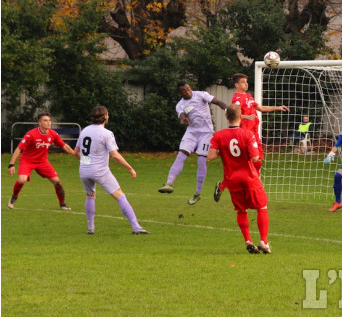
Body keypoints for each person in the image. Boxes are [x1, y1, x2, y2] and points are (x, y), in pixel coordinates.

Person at [214, 73, 289, 202]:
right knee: (240, 168)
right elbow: (233, 114)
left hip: (254, 135)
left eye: (246, 82)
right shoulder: (237, 99)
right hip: (244, 136)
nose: (246, 84)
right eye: (243, 82)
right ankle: (222, 187)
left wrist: (277, 107)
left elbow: (259, 107)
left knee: (258, 162)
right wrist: (246, 117)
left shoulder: (248, 96)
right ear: (237, 85)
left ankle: (255, 185)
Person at [74, 106, 149, 235]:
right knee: (120, 196)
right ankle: (136, 226)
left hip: (84, 170)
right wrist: (130, 168)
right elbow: (115, 155)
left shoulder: (85, 130)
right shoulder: (106, 133)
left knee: (90, 195)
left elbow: (76, 152)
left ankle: (91, 227)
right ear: (105, 116)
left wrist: (87, 162)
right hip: (100, 171)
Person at [208, 104, 272, 254]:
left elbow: (211, 156)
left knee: (241, 210)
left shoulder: (218, 136)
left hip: (232, 180)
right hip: (249, 178)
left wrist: (221, 151)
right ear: (240, 116)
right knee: (261, 207)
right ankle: (263, 241)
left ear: (226, 117)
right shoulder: (248, 134)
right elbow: (255, 157)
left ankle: (248, 240)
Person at [158, 82, 227, 205]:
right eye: (185, 91)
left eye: (189, 89)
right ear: (180, 93)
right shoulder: (180, 105)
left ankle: (197, 193)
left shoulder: (201, 95)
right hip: (191, 132)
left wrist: (226, 108)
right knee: (181, 155)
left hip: (206, 133)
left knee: (201, 161)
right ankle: (169, 183)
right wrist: (184, 120)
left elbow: (216, 101)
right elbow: (182, 115)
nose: (188, 92)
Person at [7, 112, 75, 210]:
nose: (48, 123)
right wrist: (11, 164)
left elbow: (65, 146)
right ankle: (14, 197)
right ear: (39, 122)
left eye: (49, 120)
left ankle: (62, 204)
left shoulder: (53, 134)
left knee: (57, 182)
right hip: (27, 160)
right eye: (45, 120)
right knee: (22, 180)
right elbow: (19, 149)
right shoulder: (31, 134)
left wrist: (76, 155)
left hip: (42, 161)